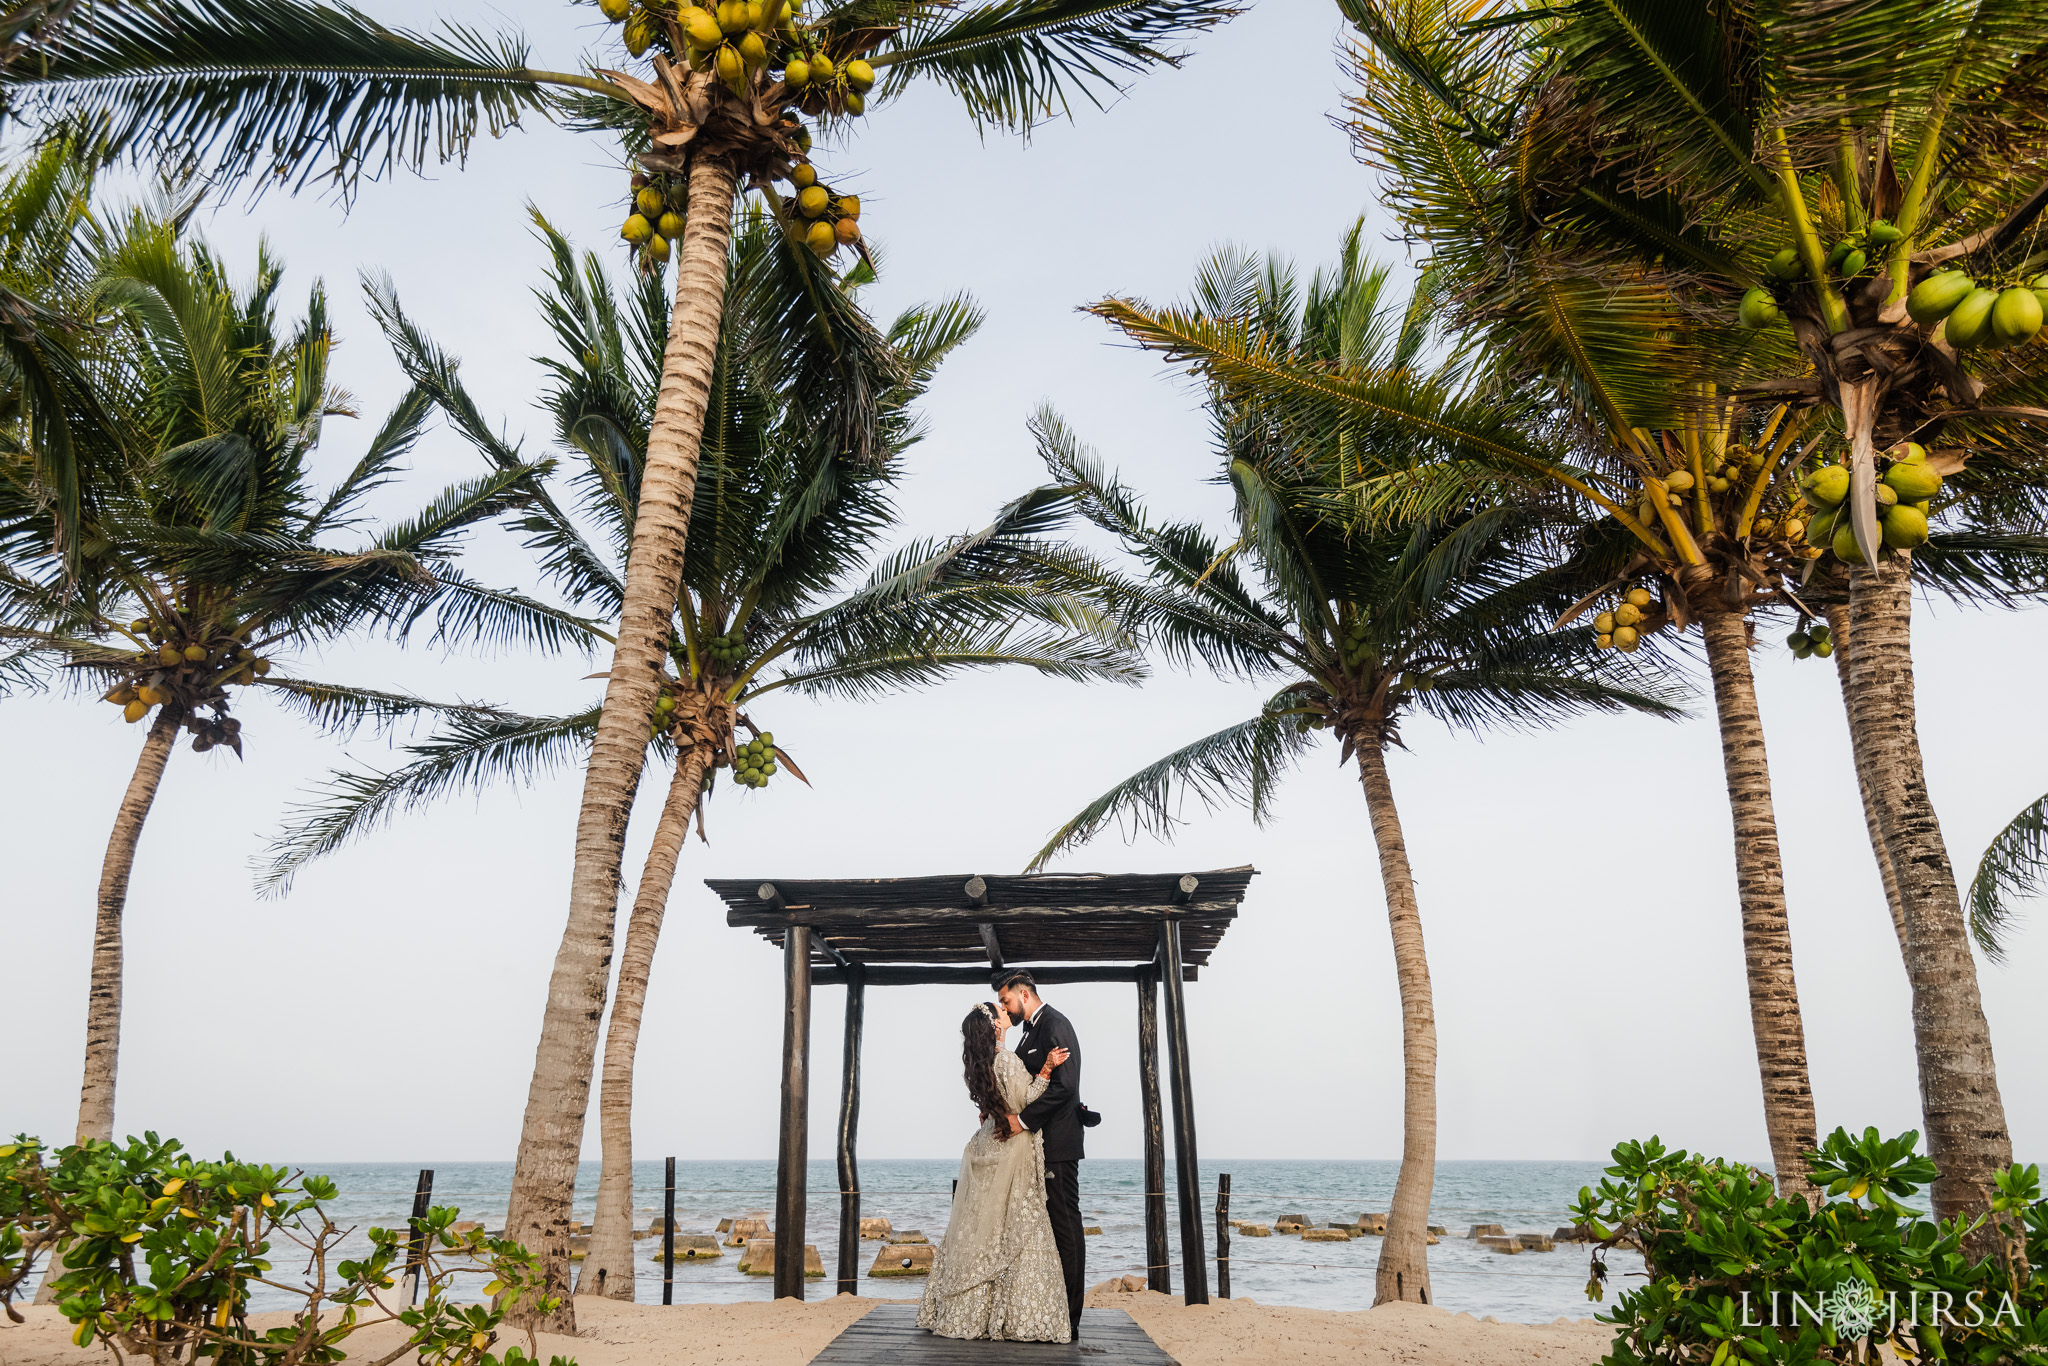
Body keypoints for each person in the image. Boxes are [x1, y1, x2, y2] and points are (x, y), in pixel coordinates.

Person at [917, 1002, 1073, 1343]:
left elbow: (992, 1104)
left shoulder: (980, 1064)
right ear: (996, 1026)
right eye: (1000, 1012)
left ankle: (970, 1308)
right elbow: (1026, 1102)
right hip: (1010, 1147)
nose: (1007, 1013)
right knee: (1016, 1226)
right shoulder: (1004, 1059)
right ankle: (1010, 1314)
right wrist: (1046, 1069)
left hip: (986, 1144)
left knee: (983, 1229)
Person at [997, 970, 1086, 1340]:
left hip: (1058, 1146)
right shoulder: (1028, 1032)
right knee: (1044, 1230)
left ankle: (1070, 1318)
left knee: (1065, 1227)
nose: (1005, 1007)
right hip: (1033, 1149)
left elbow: (1065, 1087)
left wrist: (1022, 1120)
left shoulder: (1056, 1025)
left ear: (1024, 993)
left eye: (1006, 1000)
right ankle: (1050, 1311)